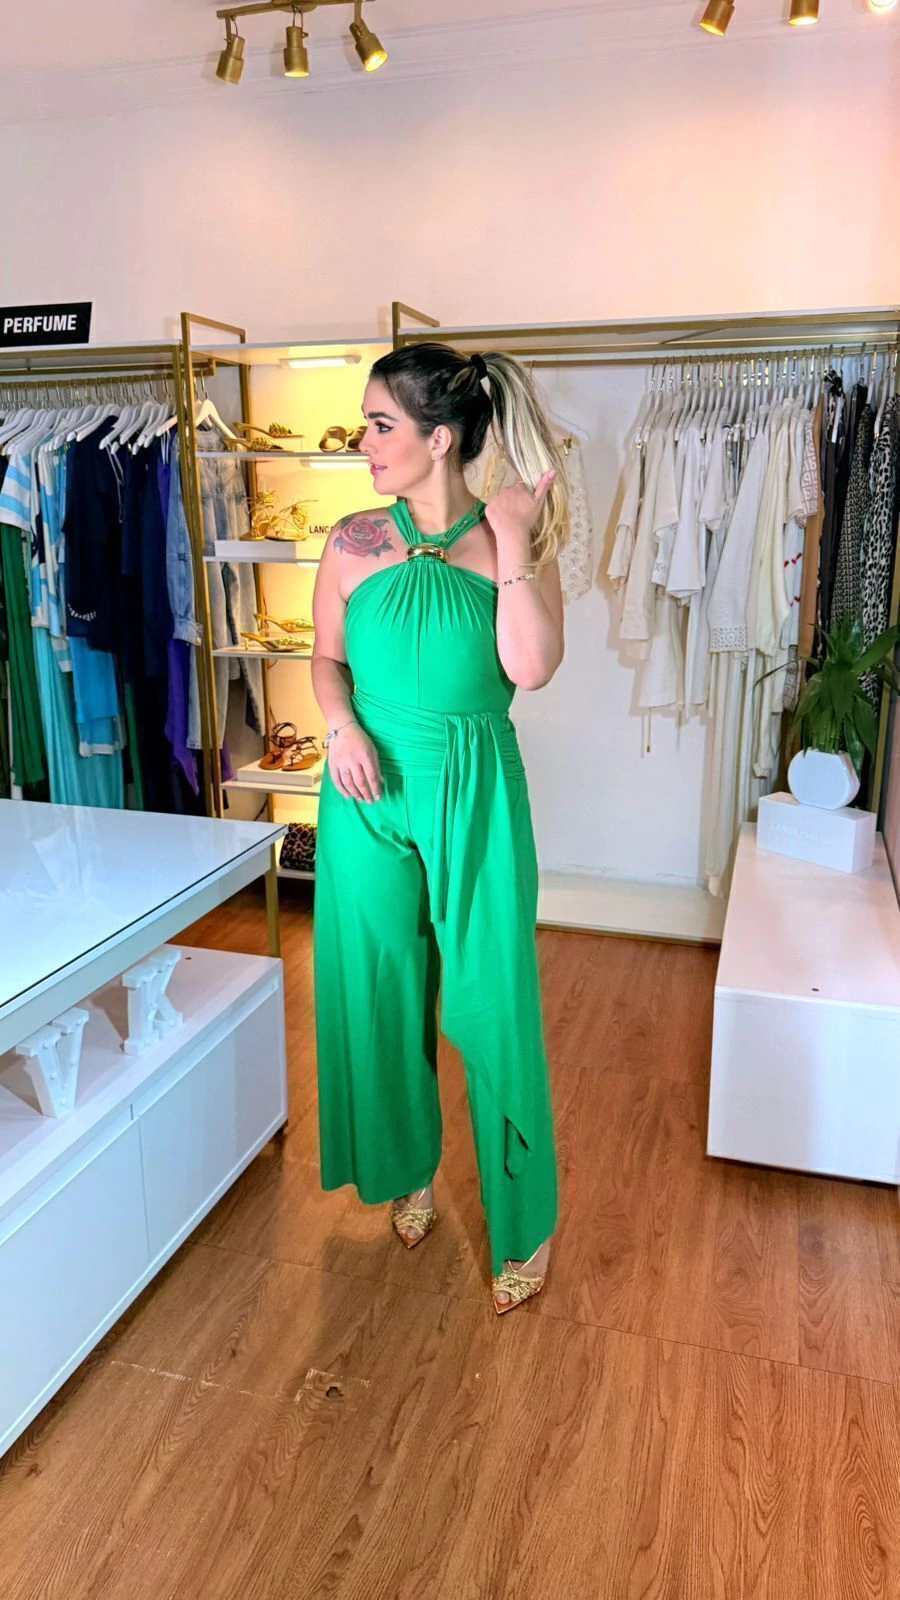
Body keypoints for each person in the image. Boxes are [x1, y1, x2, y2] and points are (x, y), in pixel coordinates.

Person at [310, 342, 569, 1314]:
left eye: (380, 425)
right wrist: (339, 728)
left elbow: (531, 668)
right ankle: (407, 1166)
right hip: (366, 788)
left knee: (493, 999)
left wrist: (514, 541)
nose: (363, 441)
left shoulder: (512, 537)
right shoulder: (351, 540)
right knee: (377, 989)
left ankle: (526, 1216)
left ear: (440, 437)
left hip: (473, 788)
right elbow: (326, 659)